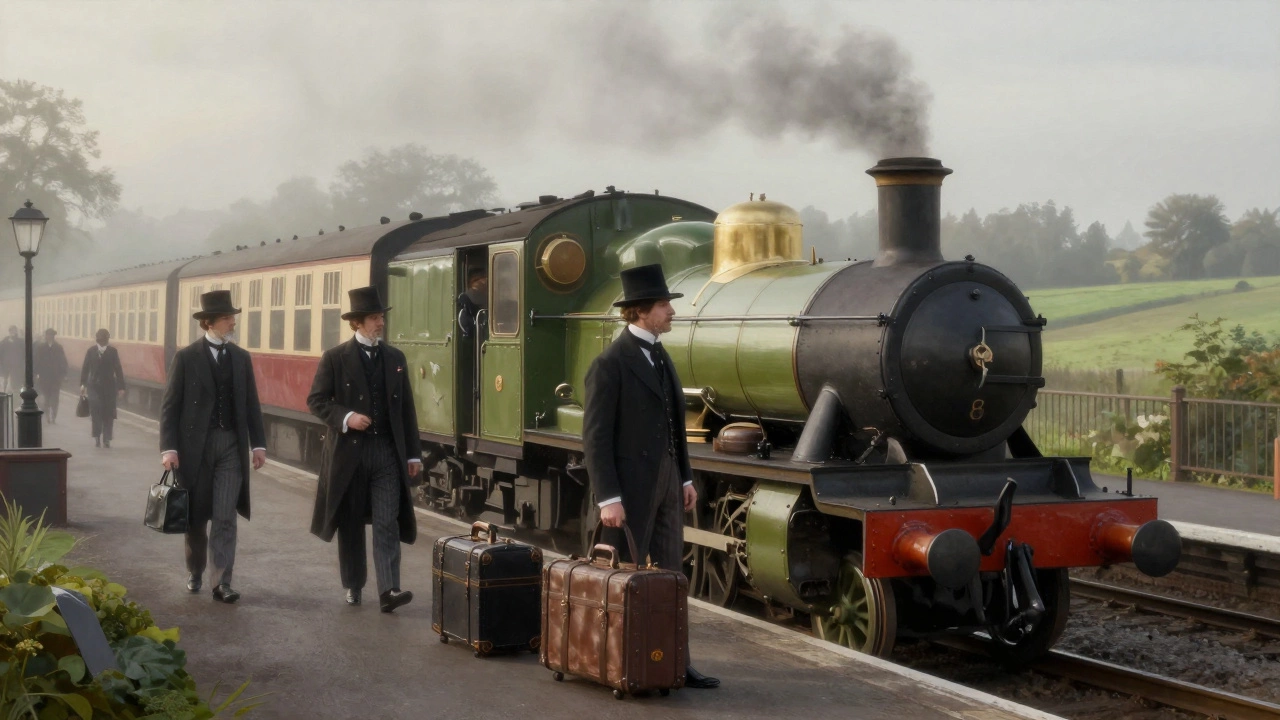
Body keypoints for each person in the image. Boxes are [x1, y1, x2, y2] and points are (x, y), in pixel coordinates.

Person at [582, 263, 720, 690]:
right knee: (619, 575)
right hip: (629, 489)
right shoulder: (610, 364)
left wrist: (683, 479)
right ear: (641, 311)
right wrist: (608, 496)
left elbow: (675, 426)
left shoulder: (660, 355)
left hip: (666, 481)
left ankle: (674, 661)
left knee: (670, 576)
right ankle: (607, 658)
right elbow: (595, 437)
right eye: (664, 305)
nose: (671, 312)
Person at [307, 286, 422, 612]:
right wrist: (346, 417)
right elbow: (316, 401)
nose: (380, 323)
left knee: (388, 521)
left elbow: (406, 410)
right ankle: (354, 585)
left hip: (387, 453)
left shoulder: (395, 358)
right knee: (352, 523)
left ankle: (389, 590)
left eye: (381, 317)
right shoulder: (335, 358)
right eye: (374, 318)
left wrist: (413, 454)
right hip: (349, 455)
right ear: (357, 322)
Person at [159, 290, 267, 603]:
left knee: (224, 516)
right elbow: (170, 407)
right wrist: (169, 448)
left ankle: (222, 582)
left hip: (231, 445)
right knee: (196, 518)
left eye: (232, 316)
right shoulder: (186, 357)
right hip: (195, 448)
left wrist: (258, 444)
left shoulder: (241, 358)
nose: (232, 321)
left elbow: (251, 405)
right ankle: (195, 570)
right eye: (226, 317)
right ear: (209, 322)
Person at [80, 329, 125, 448]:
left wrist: (121, 387)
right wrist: (83, 384)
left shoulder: (112, 352)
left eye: (104, 340)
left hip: (109, 387)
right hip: (94, 387)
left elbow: (118, 369)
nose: (102, 343)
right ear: (97, 340)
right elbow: (85, 368)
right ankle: (97, 436)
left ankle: (106, 438)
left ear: (107, 340)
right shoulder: (91, 351)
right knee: (96, 412)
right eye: (100, 340)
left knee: (108, 413)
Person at [34, 329, 68, 423]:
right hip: (44, 376)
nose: (49, 337)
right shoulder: (41, 347)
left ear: (53, 336)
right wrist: (36, 373)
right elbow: (37, 360)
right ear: (46, 336)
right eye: (48, 335)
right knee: (46, 396)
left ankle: (53, 415)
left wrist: (64, 373)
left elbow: (63, 360)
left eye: (51, 335)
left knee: (55, 397)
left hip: (55, 376)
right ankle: (48, 414)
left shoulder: (58, 347)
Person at [0, 325, 22, 394]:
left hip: (16, 364)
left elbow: (22, 353)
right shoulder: (4, 341)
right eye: (11, 330)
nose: (13, 332)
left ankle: (14, 392)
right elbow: (1, 352)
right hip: (6, 364)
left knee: (15, 379)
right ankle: (5, 390)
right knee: (5, 378)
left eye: (14, 331)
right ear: (9, 332)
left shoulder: (19, 342)